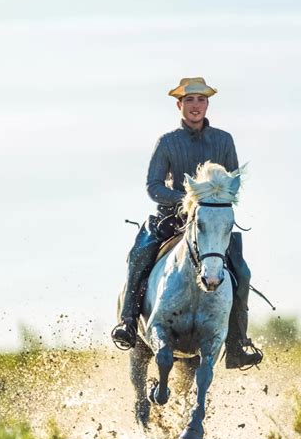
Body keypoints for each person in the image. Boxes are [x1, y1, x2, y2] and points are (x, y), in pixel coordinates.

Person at [111, 77, 262, 369]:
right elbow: (153, 186)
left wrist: (212, 203)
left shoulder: (224, 140)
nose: (195, 106)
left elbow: (233, 185)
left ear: (207, 105)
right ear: (179, 105)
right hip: (170, 218)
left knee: (241, 272)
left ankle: (237, 342)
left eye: (201, 100)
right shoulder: (168, 142)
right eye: (189, 100)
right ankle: (128, 323)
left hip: (213, 224)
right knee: (139, 255)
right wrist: (188, 199)